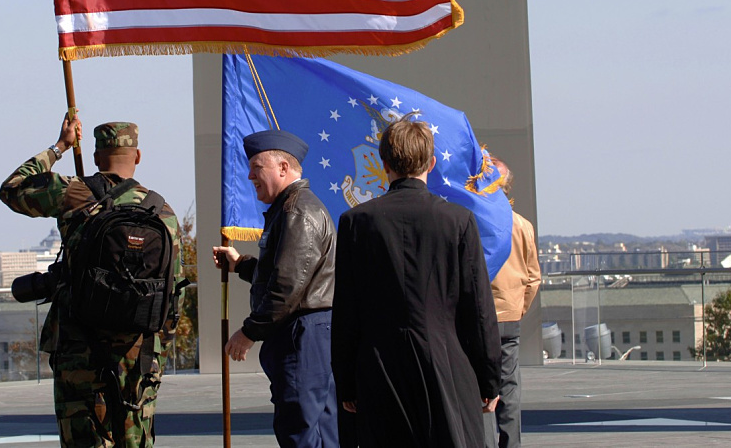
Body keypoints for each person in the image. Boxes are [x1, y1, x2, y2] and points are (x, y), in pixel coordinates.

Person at [0, 113, 180, 448]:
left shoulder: (74, 194)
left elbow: (12, 189)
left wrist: (59, 147)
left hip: (80, 350)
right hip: (140, 357)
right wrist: (156, 352)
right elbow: (173, 295)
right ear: (137, 157)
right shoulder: (163, 213)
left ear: (96, 158)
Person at [331, 117, 501, 447]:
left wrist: (347, 382)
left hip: (378, 369)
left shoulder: (355, 222)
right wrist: (489, 379)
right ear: (432, 163)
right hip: (446, 366)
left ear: (384, 165)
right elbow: (478, 310)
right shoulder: (458, 220)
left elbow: (346, 312)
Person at [212, 129, 339, 448]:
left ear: (283, 168)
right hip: (306, 333)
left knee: (301, 431)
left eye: (257, 166)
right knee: (319, 430)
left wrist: (249, 332)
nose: (250, 174)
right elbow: (285, 274)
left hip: (301, 336)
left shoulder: (296, 212)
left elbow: (286, 287)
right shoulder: (292, 209)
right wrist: (240, 264)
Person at [484, 157, 541, 448]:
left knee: (479, 391)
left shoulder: (475, 220)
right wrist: (517, 307)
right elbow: (533, 278)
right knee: (509, 391)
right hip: (509, 318)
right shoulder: (523, 225)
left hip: (480, 318)